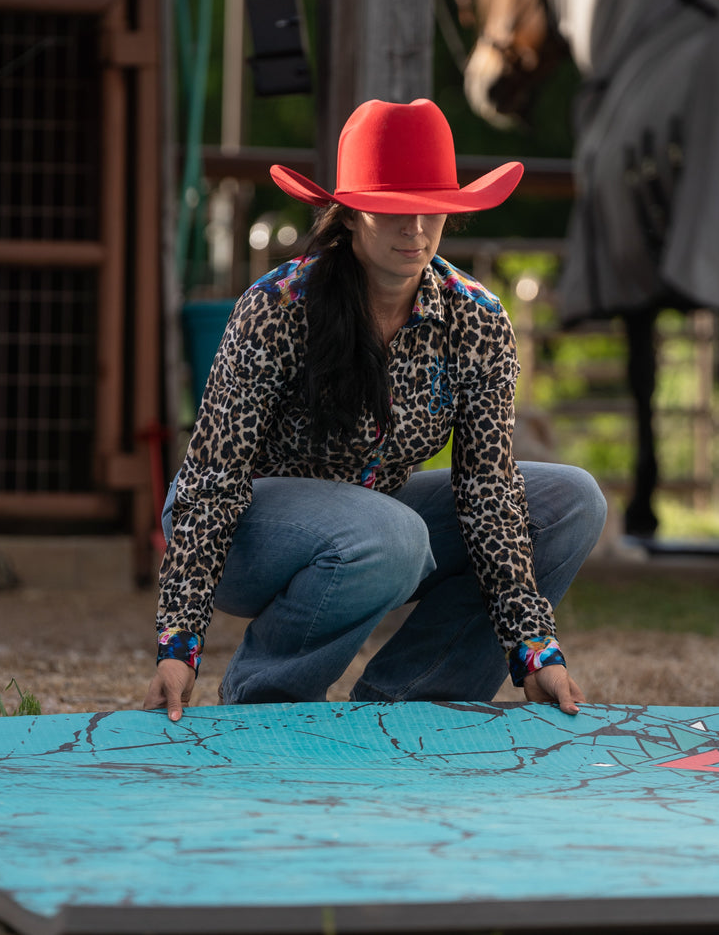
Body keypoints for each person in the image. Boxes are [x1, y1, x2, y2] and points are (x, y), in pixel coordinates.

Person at [144, 98, 607, 722]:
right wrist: (180, 644)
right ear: (350, 212)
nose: (413, 229)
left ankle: (411, 703)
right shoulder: (278, 306)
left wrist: (533, 650)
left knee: (572, 500)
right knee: (389, 534)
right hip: (247, 533)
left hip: (378, 529)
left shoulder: (478, 320)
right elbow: (214, 478)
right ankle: (265, 700)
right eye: (391, 209)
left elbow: (487, 490)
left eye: (428, 207)